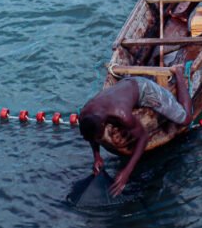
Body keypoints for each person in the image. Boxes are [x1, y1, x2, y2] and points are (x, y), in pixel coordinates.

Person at [79, 64, 193, 197]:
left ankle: (178, 71)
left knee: (185, 119)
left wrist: (127, 171)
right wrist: (97, 156)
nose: (98, 140)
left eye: (99, 136)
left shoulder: (121, 115)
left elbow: (143, 138)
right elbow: (91, 135)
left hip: (142, 88)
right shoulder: (85, 113)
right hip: (123, 88)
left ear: (104, 124)